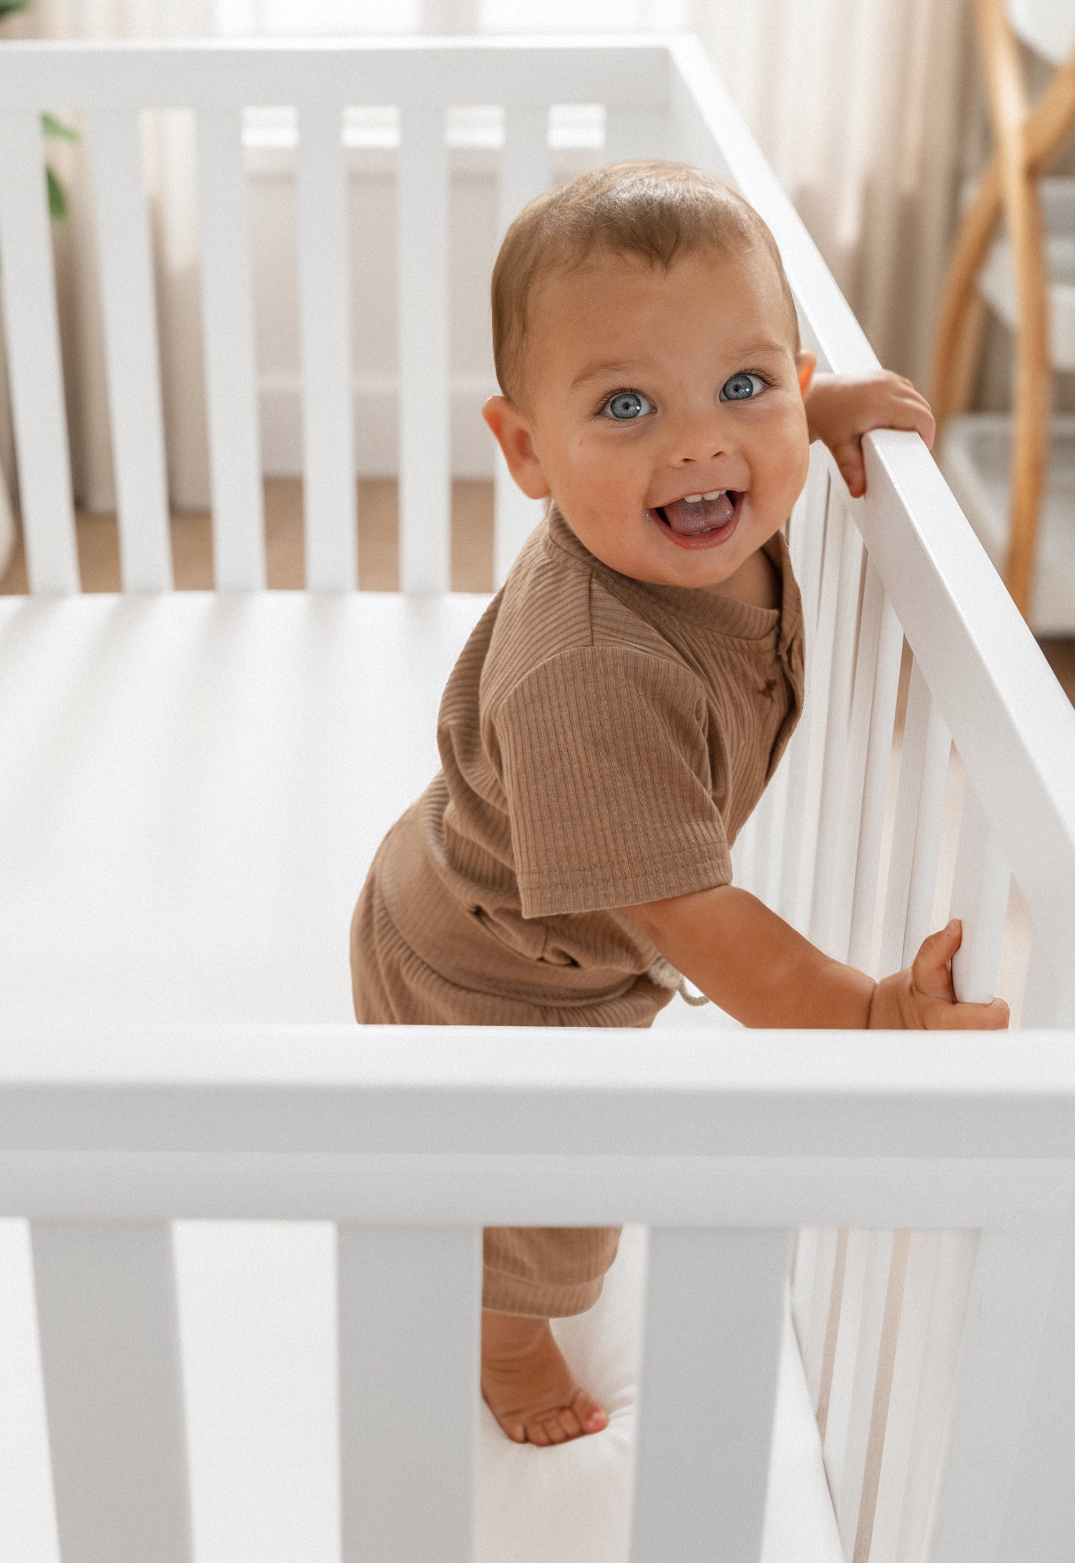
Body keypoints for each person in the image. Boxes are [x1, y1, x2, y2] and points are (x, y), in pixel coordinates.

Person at [348, 161, 1010, 1449]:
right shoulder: (592, 676)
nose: (700, 443)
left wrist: (817, 421)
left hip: (517, 907)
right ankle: (503, 1346)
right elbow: (701, 922)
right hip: (496, 972)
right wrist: (871, 1018)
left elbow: (731, 428)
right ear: (528, 451)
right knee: (539, 1196)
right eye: (628, 405)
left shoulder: (696, 497)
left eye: (746, 386)